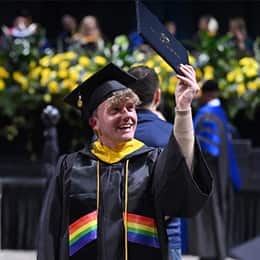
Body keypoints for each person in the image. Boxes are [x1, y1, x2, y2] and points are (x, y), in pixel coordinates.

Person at [37, 62, 212, 260]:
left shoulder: (150, 162)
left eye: (130, 108)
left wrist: (183, 109)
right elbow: (50, 234)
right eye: (115, 110)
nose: (127, 116)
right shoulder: (71, 167)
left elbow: (180, 180)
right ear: (95, 123)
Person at [128, 65, 182, 260]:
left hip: (120, 235)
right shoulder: (172, 134)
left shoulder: (107, 135)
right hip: (164, 236)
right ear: (157, 96)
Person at [187, 79, 241, 260]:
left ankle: (211, 253)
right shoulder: (220, 114)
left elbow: (209, 149)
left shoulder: (208, 116)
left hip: (210, 174)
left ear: (208, 93)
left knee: (211, 214)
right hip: (221, 173)